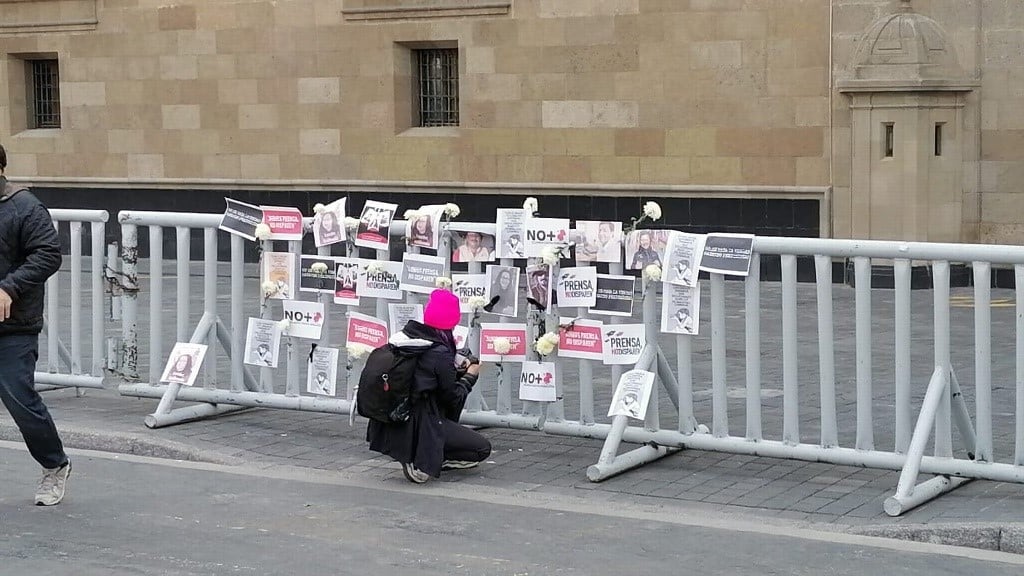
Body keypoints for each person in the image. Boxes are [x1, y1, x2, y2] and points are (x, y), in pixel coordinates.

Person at [0, 144, 71, 506]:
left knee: (19, 398)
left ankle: (54, 465)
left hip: (13, 326)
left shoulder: (24, 207)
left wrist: (9, 287)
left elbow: (48, 253)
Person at [366, 289, 491, 483]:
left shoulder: (406, 339)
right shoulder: (440, 352)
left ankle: (418, 452)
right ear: (452, 320)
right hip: (421, 422)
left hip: (393, 418)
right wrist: (469, 377)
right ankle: (422, 459)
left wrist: (455, 368)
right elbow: (452, 397)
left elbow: (426, 375)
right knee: (481, 449)